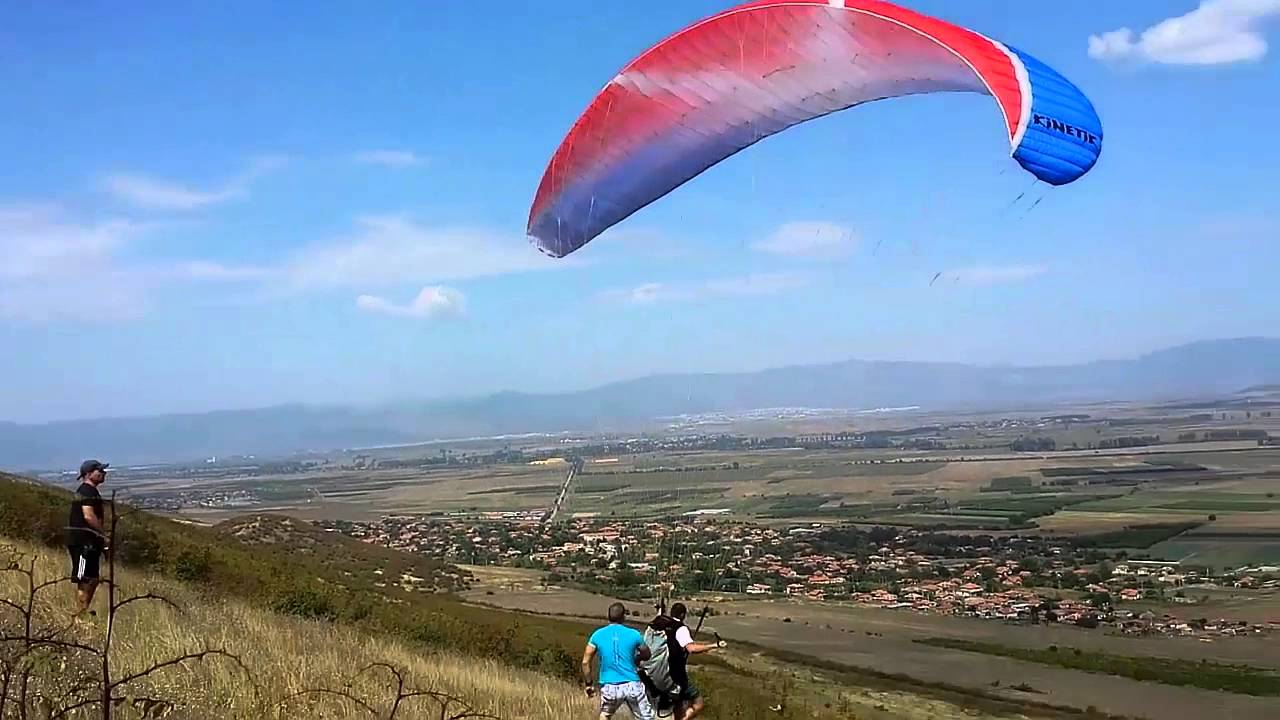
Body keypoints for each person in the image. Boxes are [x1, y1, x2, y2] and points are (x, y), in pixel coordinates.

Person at [583, 602, 654, 720]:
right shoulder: (634, 634)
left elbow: (585, 662)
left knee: (605, 715)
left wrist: (589, 684)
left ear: (608, 616)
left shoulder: (597, 635)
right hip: (632, 683)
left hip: (609, 684)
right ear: (623, 616)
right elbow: (647, 654)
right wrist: (637, 659)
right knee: (646, 717)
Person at [666, 603, 725, 720]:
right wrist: (715, 645)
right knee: (698, 703)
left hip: (659, 672)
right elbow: (691, 649)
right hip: (676, 675)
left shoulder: (662, 625)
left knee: (678, 703)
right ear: (683, 615)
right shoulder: (681, 629)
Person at [67, 459, 108, 616]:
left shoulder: (89, 491)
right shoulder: (87, 491)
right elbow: (89, 516)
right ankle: (80, 614)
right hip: (83, 543)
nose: (104, 473)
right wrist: (103, 535)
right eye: (100, 471)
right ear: (89, 474)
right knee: (85, 579)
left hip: (89, 542)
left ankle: (83, 611)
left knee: (92, 579)